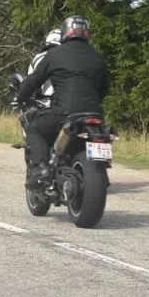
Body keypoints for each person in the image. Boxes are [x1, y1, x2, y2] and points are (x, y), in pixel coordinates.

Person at [15, 16, 111, 187]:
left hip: (64, 112)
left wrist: (20, 96)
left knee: (35, 130)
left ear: (65, 32)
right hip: (95, 115)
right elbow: (104, 88)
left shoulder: (55, 54)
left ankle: (41, 168)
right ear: (87, 33)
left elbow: (35, 79)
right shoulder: (97, 56)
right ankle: (99, 169)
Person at [27, 28, 62, 108]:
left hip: (42, 103)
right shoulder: (69, 58)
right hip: (64, 103)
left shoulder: (38, 58)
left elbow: (30, 80)